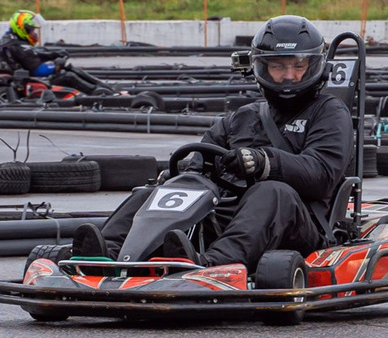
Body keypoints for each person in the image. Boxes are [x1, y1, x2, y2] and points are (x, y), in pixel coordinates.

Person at [99, 14, 355, 270]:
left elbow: (321, 175)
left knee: (271, 191)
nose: (289, 76)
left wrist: (264, 162)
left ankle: (211, 265)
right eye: (279, 66)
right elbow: (198, 167)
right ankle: (105, 254)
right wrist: (179, 177)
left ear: (314, 67)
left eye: (298, 66)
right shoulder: (243, 117)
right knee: (152, 193)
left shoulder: (329, 112)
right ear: (261, 68)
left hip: (298, 223)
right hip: (230, 218)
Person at [0, 10, 109, 95]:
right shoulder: (17, 45)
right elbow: (37, 69)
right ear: (22, 28)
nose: (34, 33)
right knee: (69, 75)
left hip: (22, 76)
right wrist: (56, 64)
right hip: (26, 81)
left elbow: (33, 54)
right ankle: (97, 93)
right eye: (31, 30)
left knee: (66, 68)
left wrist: (52, 55)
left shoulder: (11, 40)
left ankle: (102, 88)